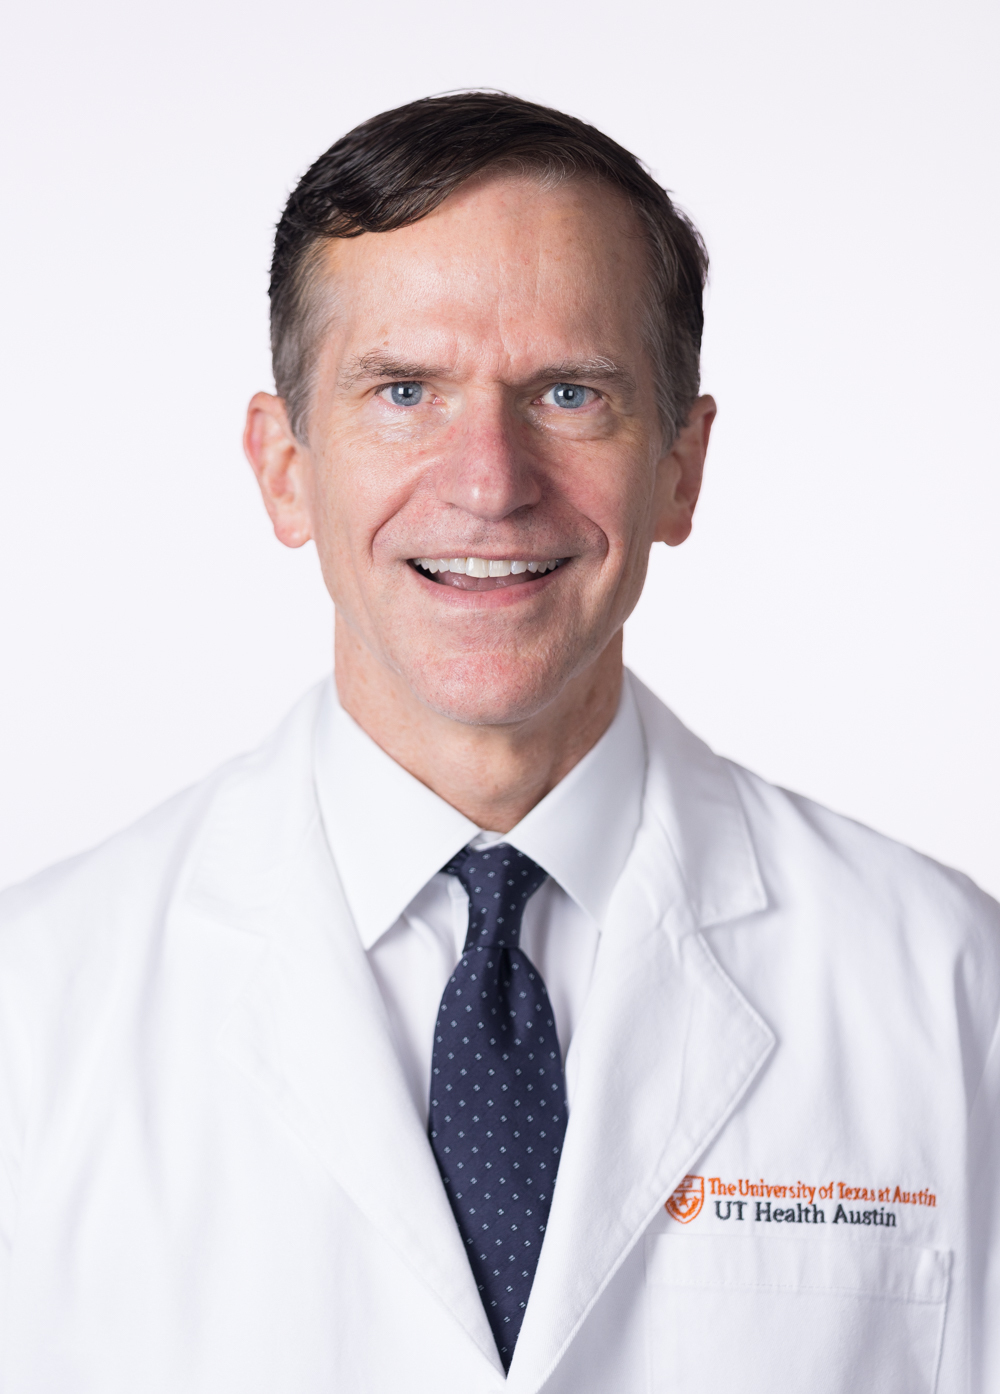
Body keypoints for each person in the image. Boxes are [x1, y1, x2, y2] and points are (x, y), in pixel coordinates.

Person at [0, 92, 997, 1394]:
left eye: (570, 393)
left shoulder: (949, 988)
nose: (489, 477)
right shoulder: (34, 1011)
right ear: (285, 466)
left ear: (683, 468)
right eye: (404, 389)